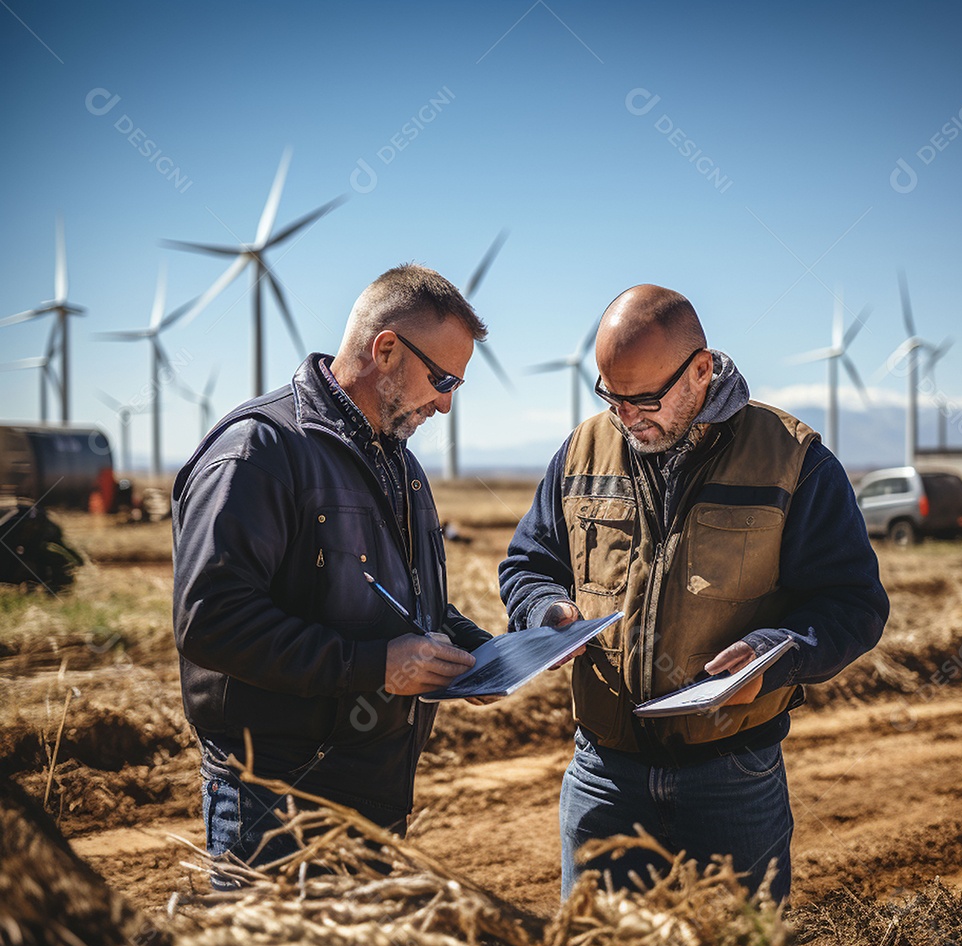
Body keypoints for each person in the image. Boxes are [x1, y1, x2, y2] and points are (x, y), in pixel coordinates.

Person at [499, 285, 889, 904]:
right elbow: (528, 562)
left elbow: (854, 602)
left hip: (733, 771)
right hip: (605, 770)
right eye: (612, 397)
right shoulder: (580, 452)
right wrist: (544, 610)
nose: (627, 418)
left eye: (646, 398)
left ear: (701, 370)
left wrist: (776, 652)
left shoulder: (794, 460)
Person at [172, 264, 493, 886]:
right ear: (387, 349)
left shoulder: (397, 462)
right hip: (277, 804)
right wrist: (375, 666)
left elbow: (403, 604)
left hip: (375, 796)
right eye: (444, 378)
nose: (448, 403)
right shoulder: (258, 451)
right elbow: (212, 621)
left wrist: (478, 650)